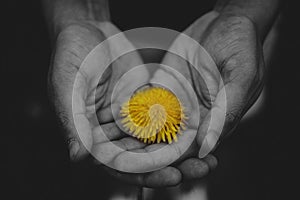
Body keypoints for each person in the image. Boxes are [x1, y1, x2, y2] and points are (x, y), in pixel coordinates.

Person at [42, 0, 281, 199]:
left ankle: (188, 182)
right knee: (213, 112)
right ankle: (127, 183)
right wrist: (80, 15)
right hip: (118, 20)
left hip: (210, 26)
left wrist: (242, 11)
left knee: (223, 102)